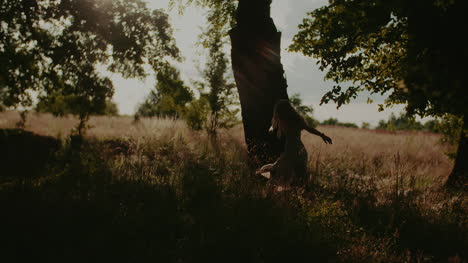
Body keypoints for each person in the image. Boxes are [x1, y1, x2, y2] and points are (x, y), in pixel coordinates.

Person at [256, 99, 332, 185]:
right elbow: (309, 129)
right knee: (297, 176)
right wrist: (322, 135)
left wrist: (322, 135)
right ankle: (302, 192)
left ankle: (274, 193)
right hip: (300, 149)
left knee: (281, 173)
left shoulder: (283, 120)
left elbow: (274, 125)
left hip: (291, 150)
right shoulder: (297, 119)